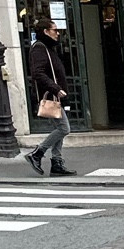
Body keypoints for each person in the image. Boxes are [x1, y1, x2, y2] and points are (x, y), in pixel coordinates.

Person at [24, 21, 77, 177]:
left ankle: (57, 163)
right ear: (46, 31)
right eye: (55, 30)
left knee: (60, 129)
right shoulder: (39, 48)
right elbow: (37, 73)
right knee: (63, 128)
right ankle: (37, 153)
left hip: (56, 97)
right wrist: (56, 88)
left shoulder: (48, 48)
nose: (58, 33)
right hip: (51, 96)